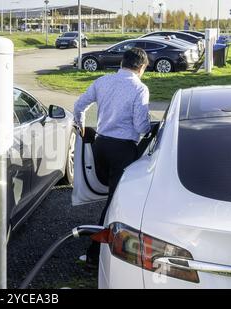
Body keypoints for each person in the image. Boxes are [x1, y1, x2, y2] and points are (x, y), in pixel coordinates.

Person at [73, 48, 151, 267]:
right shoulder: (140, 89)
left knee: (109, 197)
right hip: (123, 150)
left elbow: (79, 105)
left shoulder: (103, 81)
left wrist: (79, 126)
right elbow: (141, 126)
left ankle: (103, 249)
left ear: (122, 62)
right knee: (114, 204)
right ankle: (94, 255)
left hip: (100, 145)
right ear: (142, 67)